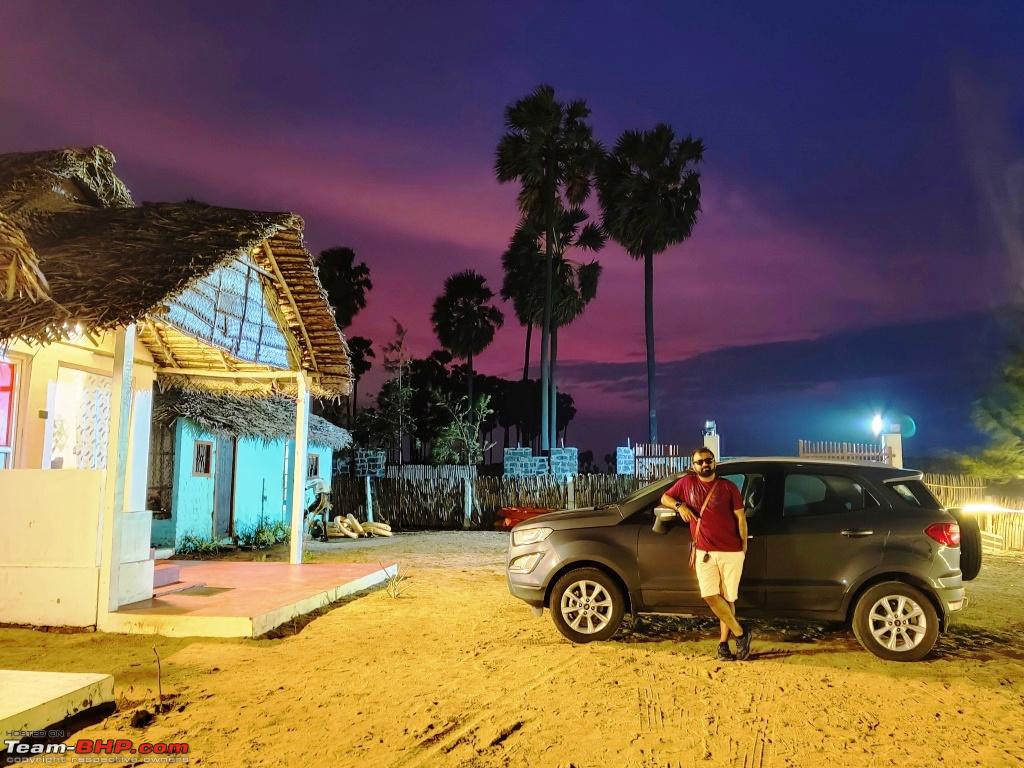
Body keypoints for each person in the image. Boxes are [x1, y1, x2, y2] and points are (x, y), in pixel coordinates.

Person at [660, 446, 752, 661]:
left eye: (708, 460)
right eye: (699, 462)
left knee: (728, 598)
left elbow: (741, 518)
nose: (704, 464)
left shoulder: (728, 487)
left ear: (714, 462)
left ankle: (723, 645)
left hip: (731, 551)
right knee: (710, 595)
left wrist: (743, 546)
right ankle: (741, 633)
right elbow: (665, 497)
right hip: (704, 551)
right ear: (693, 466)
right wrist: (679, 506)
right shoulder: (686, 484)